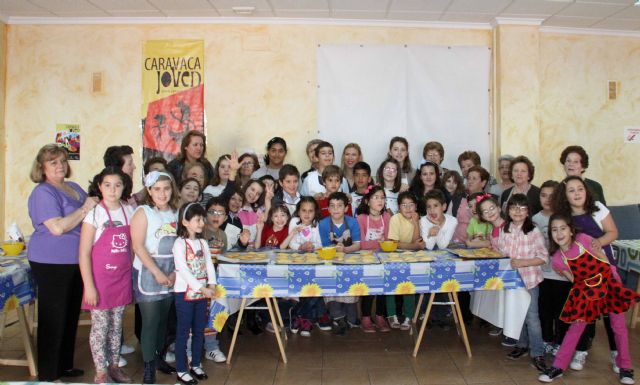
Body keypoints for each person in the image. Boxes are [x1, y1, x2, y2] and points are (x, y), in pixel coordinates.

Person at [538, 214, 638, 384]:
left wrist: (613, 286)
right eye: (554, 230)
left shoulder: (583, 240)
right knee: (575, 328)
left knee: (618, 327)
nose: (559, 233)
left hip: (608, 284)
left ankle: (625, 367)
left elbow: (605, 262)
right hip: (587, 292)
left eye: (563, 228)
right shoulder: (557, 259)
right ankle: (558, 367)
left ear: (571, 230)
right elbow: (575, 281)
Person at [27, 144, 97, 381]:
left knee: (69, 315)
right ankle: (48, 374)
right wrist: (86, 208)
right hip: (51, 261)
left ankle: (64, 365)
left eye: (63, 161)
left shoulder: (74, 187)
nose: (60, 166)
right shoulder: (43, 192)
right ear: (42, 167)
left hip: (76, 259)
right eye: (53, 162)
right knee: (53, 317)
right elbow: (58, 227)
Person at [551, 175, 619, 372]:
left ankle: (617, 353)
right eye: (571, 190)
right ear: (565, 196)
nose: (576, 193)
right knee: (584, 312)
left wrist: (598, 243)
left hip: (604, 265)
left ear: (586, 190)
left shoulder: (597, 208)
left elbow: (613, 232)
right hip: (581, 272)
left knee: (610, 312)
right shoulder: (563, 215)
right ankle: (582, 350)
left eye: (579, 189)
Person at [78, 167, 134, 384]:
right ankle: (101, 372)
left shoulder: (128, 211)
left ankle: (114, 366)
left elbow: (131, 247)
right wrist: (89, 286)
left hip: (121, 279)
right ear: (99, 187)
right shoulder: (94, 214)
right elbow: (83, 253)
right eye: (107, 185)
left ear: (124, 187)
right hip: (99, 281)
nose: (112, 190)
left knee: (117, 326)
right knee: (100, 328)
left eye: (118, 185)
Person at [130, 171, 179, 383]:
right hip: (148, 272)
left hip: (171, 272)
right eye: (157, 189)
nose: (162, 193)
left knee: (162, 321)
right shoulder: (142, 212)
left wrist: (175, 272)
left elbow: (181, 245)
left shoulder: (176, 213)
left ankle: (158, 357)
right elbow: (138, 246)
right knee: (150, 321)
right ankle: (148, 366)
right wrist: (157, 272)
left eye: (166, 188)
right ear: (149, 191)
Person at [497, 194, 547, 373]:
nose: (517, 211)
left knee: (532, 317)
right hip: (511, 281)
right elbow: (501, 250)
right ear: (507, 210)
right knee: (516, 312)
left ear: (528, 211)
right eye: (513, 207)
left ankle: (538, 353)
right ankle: (522, 344)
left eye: (522, 208)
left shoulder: (533, 230)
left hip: (529, 279)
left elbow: (543, 257)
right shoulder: (505, 229)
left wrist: (523, 262)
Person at [172, 203, 217, 385]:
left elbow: (209, 264)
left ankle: (196, 363)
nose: (201, 222)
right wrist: (202, 287)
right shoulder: (179, 243)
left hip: (201, 294)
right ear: (185, 222)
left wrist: (212, 284)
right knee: (183, 331)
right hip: (184, 294)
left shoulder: (203, 242)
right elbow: (183, 270)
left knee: (199, 330)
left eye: (202, 219)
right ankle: (182, 369)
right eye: (197, 219)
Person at [532, 180, 567, 356]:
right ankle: (546, 340)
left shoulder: (564, 218)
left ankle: (561, 343)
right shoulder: (535, 219)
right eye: (543, 195)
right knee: (544, 310)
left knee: (561, 312)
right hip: (543, 274)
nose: (547, 199)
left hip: (562, 275)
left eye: (551, 196)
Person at [319, 192, 361, 335]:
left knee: (350, 289)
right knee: (332, 289)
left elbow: (357, 245)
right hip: (331, 262)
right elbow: (324, 247)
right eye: (332, 206)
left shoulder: (353, 222)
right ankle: (338, 317)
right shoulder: (323, 224)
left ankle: (351, 318)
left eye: (339, 206)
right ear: (328, 209)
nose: (336, 209)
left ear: (346, 208)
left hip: (349, 261)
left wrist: (345, 250)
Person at [287, 197, 326, 337]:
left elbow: (321, 243)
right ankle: (305, 316)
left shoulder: (318, 224)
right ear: (298, 211)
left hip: (314, 261)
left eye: (311, 211)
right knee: (302, 286)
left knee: (314, 286)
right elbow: (291, 243)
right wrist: (300, 247)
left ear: (315, 212)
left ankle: (301, 315)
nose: (307, 214)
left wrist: (313, 246)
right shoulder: (294, 222)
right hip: (296, 262)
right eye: (304, 210)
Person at [355, 186, 391, 333]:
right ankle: (365, 316)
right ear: (367, 201)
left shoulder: (387, 217)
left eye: (382, 197)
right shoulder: (361, 218)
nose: (380, 200)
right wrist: (381, 243)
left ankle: (380, 316)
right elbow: (362, 244)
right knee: (369, 287)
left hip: (384, 258)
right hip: (367, 259)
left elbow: (390, 241)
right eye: (376, 197)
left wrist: (383, 243)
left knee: (383, 287)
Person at [452, 165, 491, 243]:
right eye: (468, 178)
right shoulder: (458, 198)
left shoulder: (489, 201)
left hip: (479, 244)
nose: (470, 181)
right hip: (457, 243)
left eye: (474, 178)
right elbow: (449, 220)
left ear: (483, 183)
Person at [237, 179, 271, 249]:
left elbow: (265, 219)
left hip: (252, 252)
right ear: (246, 187)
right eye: (252, 189)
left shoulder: (257, 210)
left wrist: (267, 199)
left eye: (258, 194)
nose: (254, 194)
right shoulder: (235, 207)